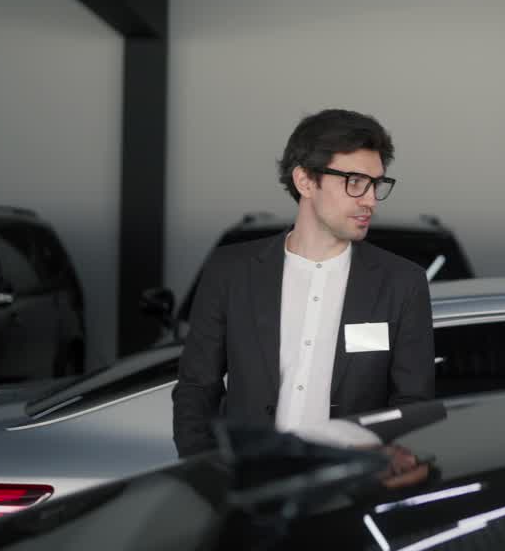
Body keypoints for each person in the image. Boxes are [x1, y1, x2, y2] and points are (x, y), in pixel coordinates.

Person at [173, 109, 434, 457]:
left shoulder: (402, 282)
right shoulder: (231, 271)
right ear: (305, 181)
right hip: (251, 479)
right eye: (355, 182)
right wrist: (206, 472)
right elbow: (196, 389)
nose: (370, 199)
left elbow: (413, 404)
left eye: (376, 184)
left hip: (354, 480)